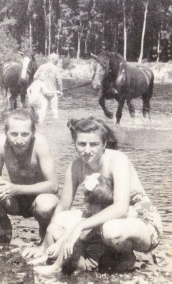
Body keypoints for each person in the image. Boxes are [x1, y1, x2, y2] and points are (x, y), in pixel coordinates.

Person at [28, 116, 162, 274]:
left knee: (110, 230)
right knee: (59, 219)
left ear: (104, 144)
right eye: (81, 144)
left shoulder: (117, 160)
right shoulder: (76, 166)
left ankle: (125, 256)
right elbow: (63, 206)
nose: (87, 150)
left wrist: (80, 226)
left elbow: (121, 208)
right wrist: (44, 244)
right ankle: (101, 256)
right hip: (105, 217)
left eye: (94, 144)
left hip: (141, 221)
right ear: (75, 144)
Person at [0, 109, 59, 244]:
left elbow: (53, 185)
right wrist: (0, 184)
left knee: (45, 204)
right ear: (5, 133)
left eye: (25, 134)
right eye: (14, 134)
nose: (19, 140)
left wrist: (16, 188)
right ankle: (5, 228)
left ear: (33, 133)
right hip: (15, 200)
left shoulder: (40, 144)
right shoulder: (0, 143)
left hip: (39, 198)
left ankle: (44, 233)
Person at [29, 173, 112, 269]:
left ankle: (55, 267)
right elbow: (72, 231)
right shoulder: (90, 215)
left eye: (87, 200)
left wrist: (58, 244)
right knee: (53, 228)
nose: (84, 202)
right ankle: (45, 256)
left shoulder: (99, 222)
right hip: (80, 251)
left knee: (73, 240)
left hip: (86, 261)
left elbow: (74, 235)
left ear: (98, 204)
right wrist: (57, 244)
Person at [33, 53, 63, 120]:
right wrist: (61, 90)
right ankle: (54, 126)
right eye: (57, 60)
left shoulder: (41, 67)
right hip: (53, 92)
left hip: (43, 92)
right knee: (55, 112)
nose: (57, 61)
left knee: (43, 112)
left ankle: (42, 125)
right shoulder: (56, 68)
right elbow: (59, 81)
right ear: (53, 59)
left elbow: (34, 76)